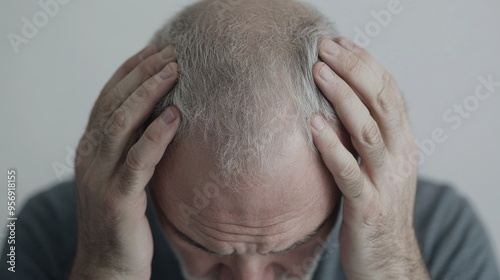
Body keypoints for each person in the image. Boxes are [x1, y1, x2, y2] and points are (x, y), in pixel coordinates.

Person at [1, 0, 499, 279]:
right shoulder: (44, 233)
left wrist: (391, 263)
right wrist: (104, 265)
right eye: (203, 244)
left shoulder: (441, 233)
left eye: (298, 244)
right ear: (145, 175)